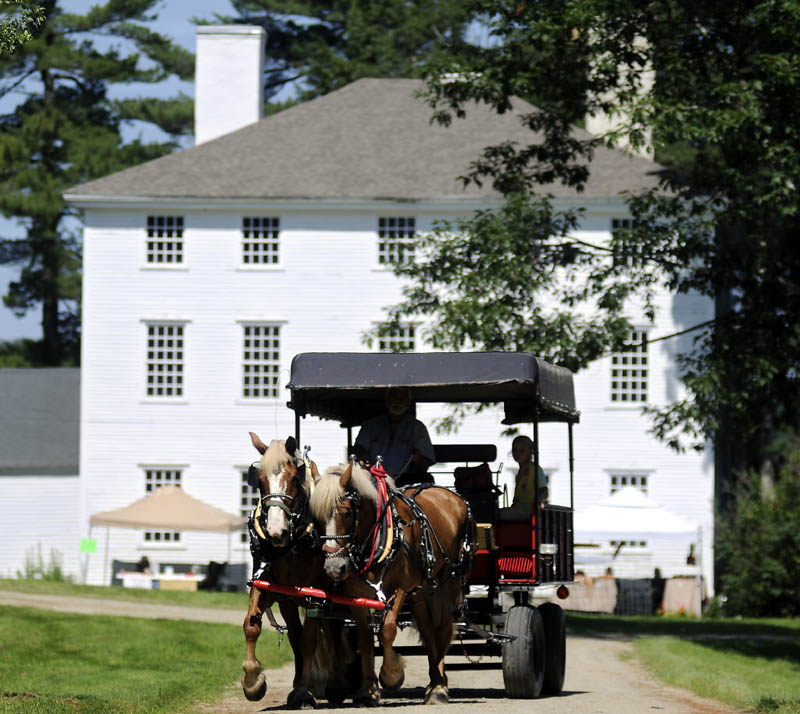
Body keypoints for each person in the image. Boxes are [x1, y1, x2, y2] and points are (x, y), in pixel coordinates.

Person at [353, 387, 436, 488]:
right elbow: (358, 449)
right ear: (386, 401)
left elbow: (428, 460)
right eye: (394, 397)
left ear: (408, 402)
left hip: (404, 482)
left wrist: (418, 458)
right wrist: (362, 456)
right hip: (373, 478)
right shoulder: (371, 425)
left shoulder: (417, 427)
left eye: (402, 398)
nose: (397, 401)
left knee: (426, 481)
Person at [509, 434, 548, 514]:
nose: (517, 453)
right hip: (519, 509)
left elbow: (544, 491)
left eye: (522, 450)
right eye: (515, 450)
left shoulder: (535, 469)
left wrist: (536, 504)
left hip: (527, 512)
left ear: (530, 452)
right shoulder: (521, 470)